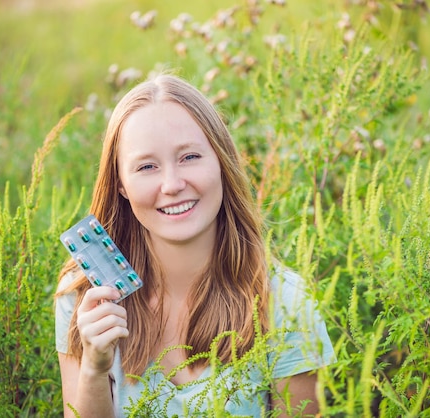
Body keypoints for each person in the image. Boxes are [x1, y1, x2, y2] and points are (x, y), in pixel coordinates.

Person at [55, 73, 335, 417]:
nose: (172, 184)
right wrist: (94, 370)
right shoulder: (84, 297)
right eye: (146, 166)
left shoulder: (287, 304)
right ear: (121, 185)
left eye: (189, 157)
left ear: (221, 162)